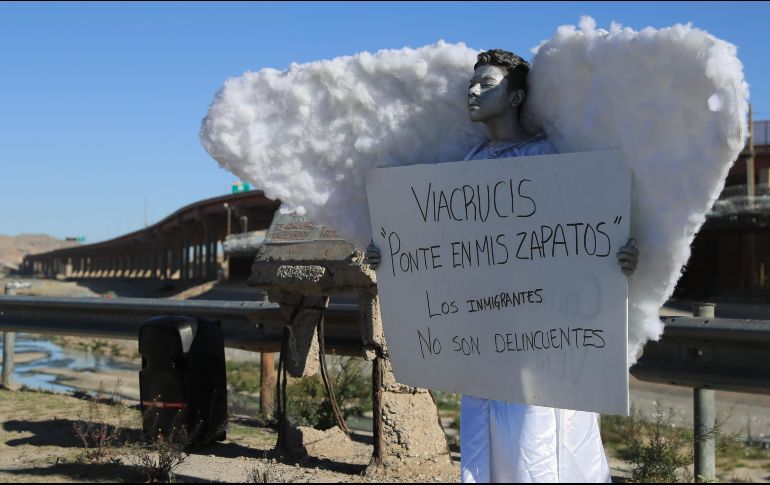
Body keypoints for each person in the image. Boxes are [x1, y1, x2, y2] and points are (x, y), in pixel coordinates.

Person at [365, 49, 638, 483]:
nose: (473, 91)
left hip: (545, 339)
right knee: (489, 442)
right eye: (472, 84)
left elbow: (583, 232)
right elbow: (442, 247)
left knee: (541, 438)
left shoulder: (549, 156)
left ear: (514, 98)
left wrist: (620, 258)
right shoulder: (466, 169)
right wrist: (391, 256)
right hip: (487, 339)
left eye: (487, 84)